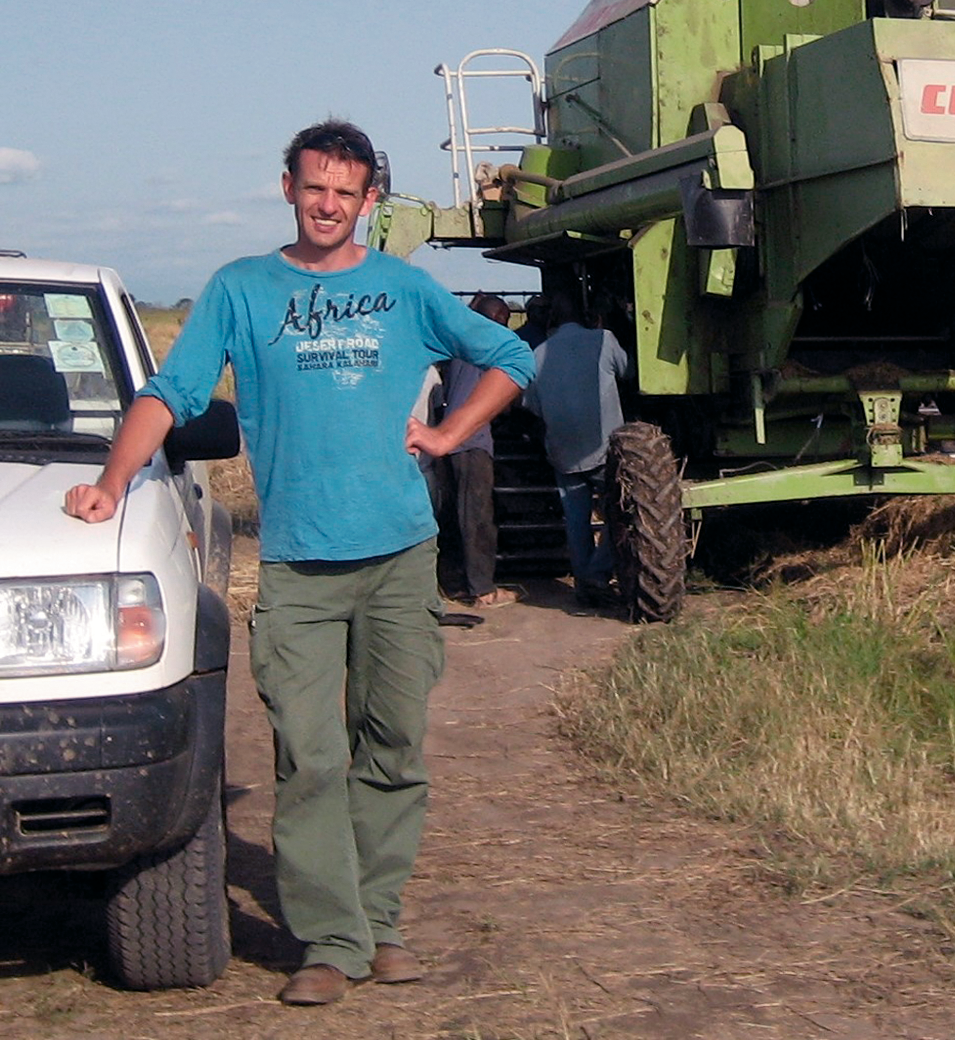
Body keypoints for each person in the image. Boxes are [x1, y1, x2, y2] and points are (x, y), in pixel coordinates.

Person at [64, 119, 534, 1006]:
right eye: (315, 187)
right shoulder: (241, 289)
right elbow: (171, 393)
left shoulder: (404, 287)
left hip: (399, 557)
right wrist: (110, 483)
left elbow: (510, 356)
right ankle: (329, 938)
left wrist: (446, 434)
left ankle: (379, 922)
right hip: (298, 565)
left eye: (345, 192)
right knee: (310, 756)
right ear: (288, 187)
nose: (328, 204)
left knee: (392, 744)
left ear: (368, 200)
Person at [520, 284, 629, 606]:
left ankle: (584, 584)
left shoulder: (537, 355)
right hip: (603, 448)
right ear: (587, 316)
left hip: (562, 451)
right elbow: (629, 371)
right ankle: (597, 574)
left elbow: (531, 406)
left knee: (577, 520)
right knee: (620, 512)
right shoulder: (603, 340)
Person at [435, 293, 517, 608]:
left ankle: (454, 583)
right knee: (478, 518)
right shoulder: (488, 347)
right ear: (495, 318)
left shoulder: (460, 346)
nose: (506, 327)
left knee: (454, 516)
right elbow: (502, 398)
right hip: (472, 442)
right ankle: (482, 590)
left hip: (450, 439)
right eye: (505, 320)